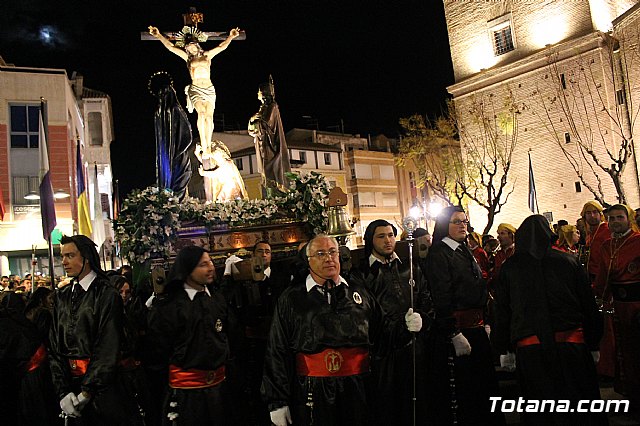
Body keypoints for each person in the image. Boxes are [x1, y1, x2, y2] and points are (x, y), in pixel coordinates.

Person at [261, 234, 422, 426]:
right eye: (321, 254)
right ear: (308, 260)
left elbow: (382, 335)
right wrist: (277, 401)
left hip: (359, 387)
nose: (329, 258)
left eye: (332, 252)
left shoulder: (359, 292)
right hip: (312, 390)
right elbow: (277, 349)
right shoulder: (292, 298)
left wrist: (405, 327)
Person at [493, 215, 605, 425]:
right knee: (577, 406)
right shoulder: (568, 262)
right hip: (570, 347)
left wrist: (503, 347)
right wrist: (593, 341)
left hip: (532, 349)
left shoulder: (510, 267)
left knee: (542, 408)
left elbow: (503, 311)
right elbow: (587, 305)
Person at [425, 206, 504, 426]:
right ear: (444, 225)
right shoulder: (440, 253)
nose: (462, 226)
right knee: (466, 391)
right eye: (456, 221)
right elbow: (441, 295)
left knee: (483, 388)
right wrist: (453, 332)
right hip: (459, 333)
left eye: (464, 221)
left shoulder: (463, 249)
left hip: (476, 328)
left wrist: (485, 321)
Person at [49, 235, 135, 424]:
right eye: (62, 256)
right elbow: (54, 346)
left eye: (70, 255)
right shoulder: (62, 296)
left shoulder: (106, 294)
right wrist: (63, 391)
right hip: (70, 388)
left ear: (86, 258)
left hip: (104, 391)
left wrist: (87, 390)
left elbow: (108, 346)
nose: (64, 262)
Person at [352, 220, 432, 425]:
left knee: (419, 405)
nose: (388, 241)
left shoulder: (410, 267)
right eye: (381, 236)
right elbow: (363, 315)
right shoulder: (362, 274)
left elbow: (425, 299)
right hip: (383, 355)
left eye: (390, 235)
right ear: (370, 240)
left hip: (415, 349)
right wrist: (396, 329)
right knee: (389, 408)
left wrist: (422, 319)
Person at [146, 246, 236, 425]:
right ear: (187, 269)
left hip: (219, 390)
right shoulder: (169, 307)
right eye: (203, 264)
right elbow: (157, 354)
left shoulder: (216, 299)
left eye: (210, 262)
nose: (211, 267)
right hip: (186, 395)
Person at [221, 241, 288, 425]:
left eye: (268, 251)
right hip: (252, 345)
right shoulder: (242, 281)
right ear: (253, 255)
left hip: (276, 340)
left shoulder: (280, 278)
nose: (264, 254)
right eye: (260, 251)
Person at [148, 25, 241, 147]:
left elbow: (221, 47)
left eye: (191, 44)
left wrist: (231, 37)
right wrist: (158, 35)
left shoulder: (207, 56)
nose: (190, 48)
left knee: (209, 116)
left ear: (197, 44)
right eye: (187, 46)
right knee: (201, 114)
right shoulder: (187, 59)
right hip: (196, 89)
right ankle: (203, 143)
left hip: (209, 89)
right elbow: (171, 47)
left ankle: (208, 143)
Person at [594, 204, 640, 419]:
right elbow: (603, 278)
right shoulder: (606, 246)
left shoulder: (638, 241)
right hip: (619, 308)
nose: (615, 221)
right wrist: (600, 299)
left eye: (619, 217)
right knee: (626, 355)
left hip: (638, 306)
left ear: (628, 218)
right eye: (611, 218)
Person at [581, 200, 613, 378]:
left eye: (595, 212)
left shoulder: (605, 230)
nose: (592, 216)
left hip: (605, 281)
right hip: (594, 280)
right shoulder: (590, 234)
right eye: (588, 213)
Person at [248, 76, 291, 195]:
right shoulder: (262, 108)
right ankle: (270, 194)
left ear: (263, 93)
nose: (257, 93)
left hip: (270, 144)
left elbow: (267, 124)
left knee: (270, 170)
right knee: (264, 171)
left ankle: (276, 193)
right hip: (262, 143)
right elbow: (253, 129)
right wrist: (252, 121)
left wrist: (256, 120)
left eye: (259, 91)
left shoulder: (273, 107)